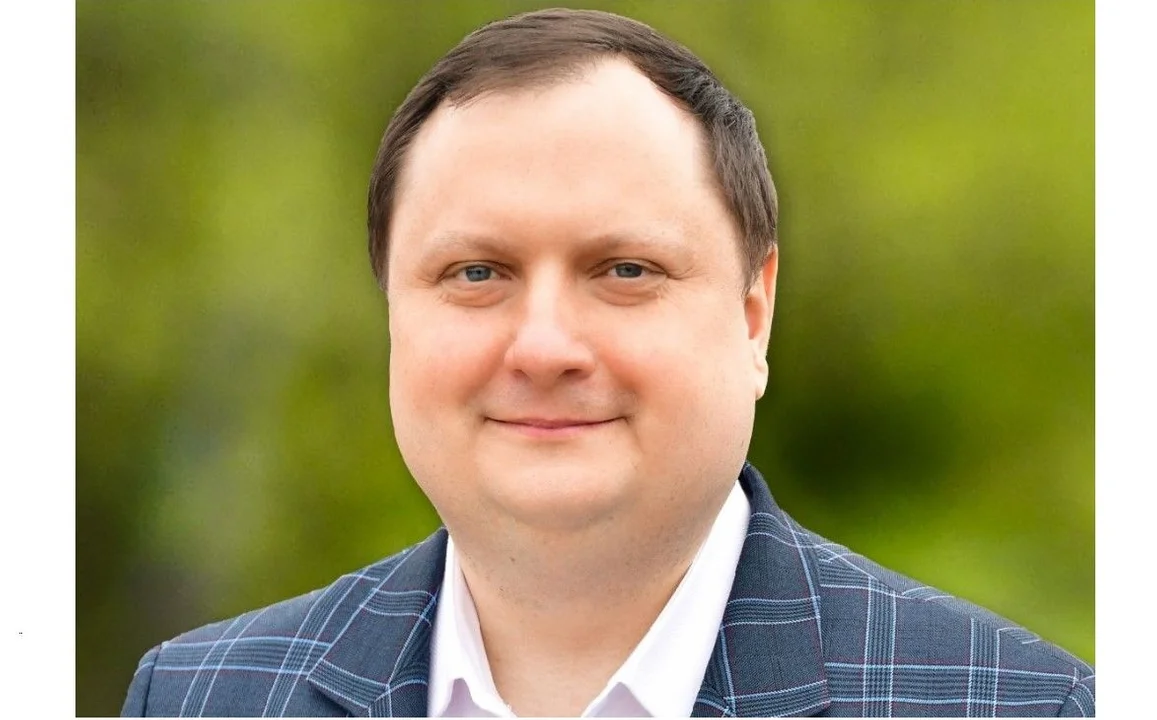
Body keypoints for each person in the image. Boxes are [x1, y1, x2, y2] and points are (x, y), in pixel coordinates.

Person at [121, 8, 1094, 717]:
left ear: (752, 315)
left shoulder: (1018, 705)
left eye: (624, 270)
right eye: (475, 272)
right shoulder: (201, 697)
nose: (544, 346)